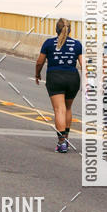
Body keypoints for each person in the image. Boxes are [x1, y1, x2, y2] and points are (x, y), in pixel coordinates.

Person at [35, 18, 84, 153]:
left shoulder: (49, 43)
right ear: (70, 30)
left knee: (59, 109)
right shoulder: (77, 44)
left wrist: (37, 74)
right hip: (73, 78)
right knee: (67, 108)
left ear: (56, 29)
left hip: (55, 76)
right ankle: (66, 139)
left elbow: (39, 62)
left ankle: (62, 143)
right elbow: (84, 65)